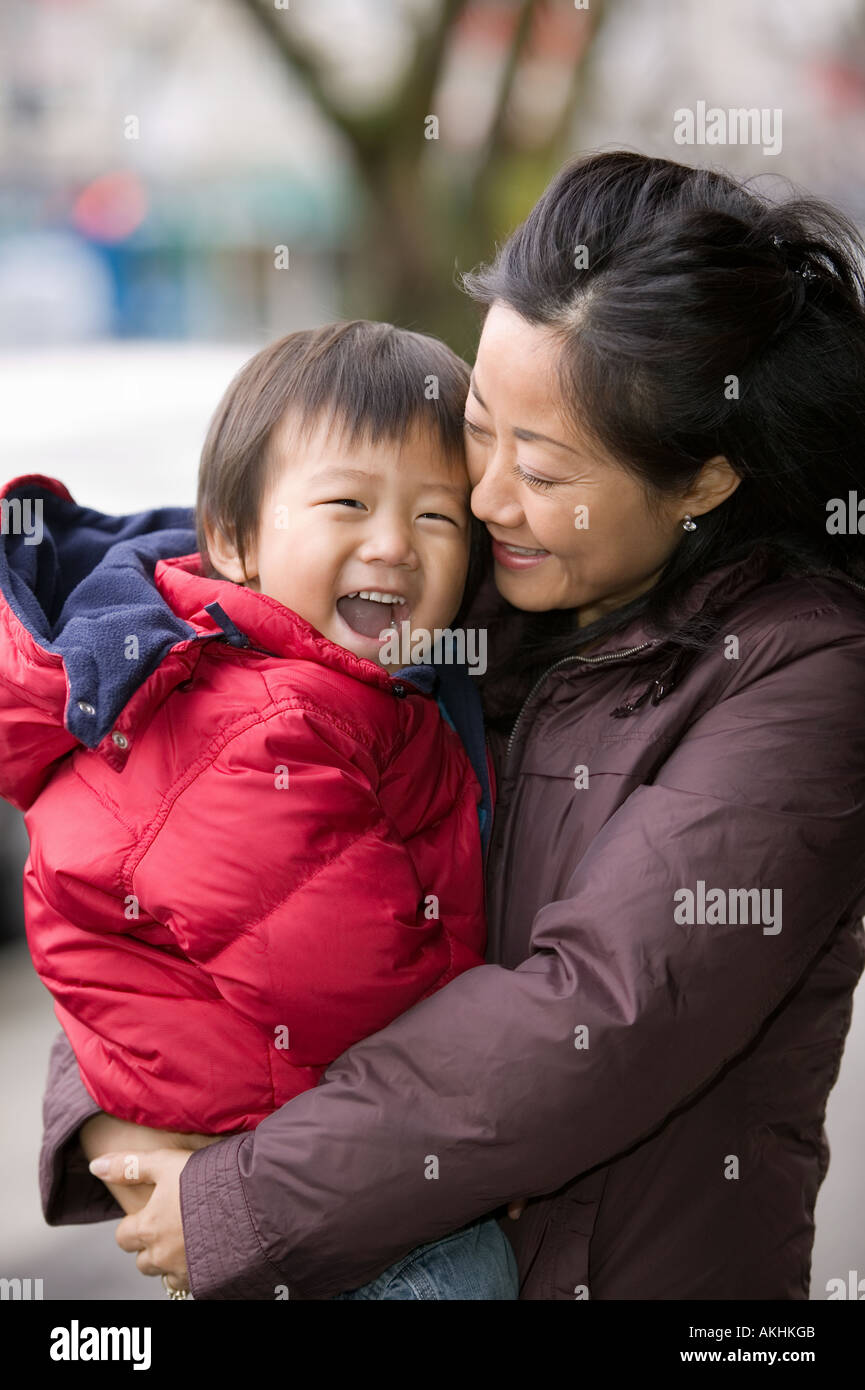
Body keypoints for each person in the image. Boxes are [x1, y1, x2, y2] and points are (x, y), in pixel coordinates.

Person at [34, 151, 865, 1300]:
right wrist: (114, 1130)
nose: (480, 501)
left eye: (540, 464)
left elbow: (596, 1018)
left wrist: (244, 1198)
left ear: (701, 483)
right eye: (480, 426)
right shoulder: (422, 581)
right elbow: (148, 861)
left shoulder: (804, 675)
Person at [0, 320, 518, 1300]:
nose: (392, 544)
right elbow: (342, 985)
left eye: (438, 518)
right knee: (462, 1271)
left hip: (267, 1143)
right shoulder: (260, 712)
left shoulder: (348, 688)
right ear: (233, 538)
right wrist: (502, 1095)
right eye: (347, 503)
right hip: (267, 1147)